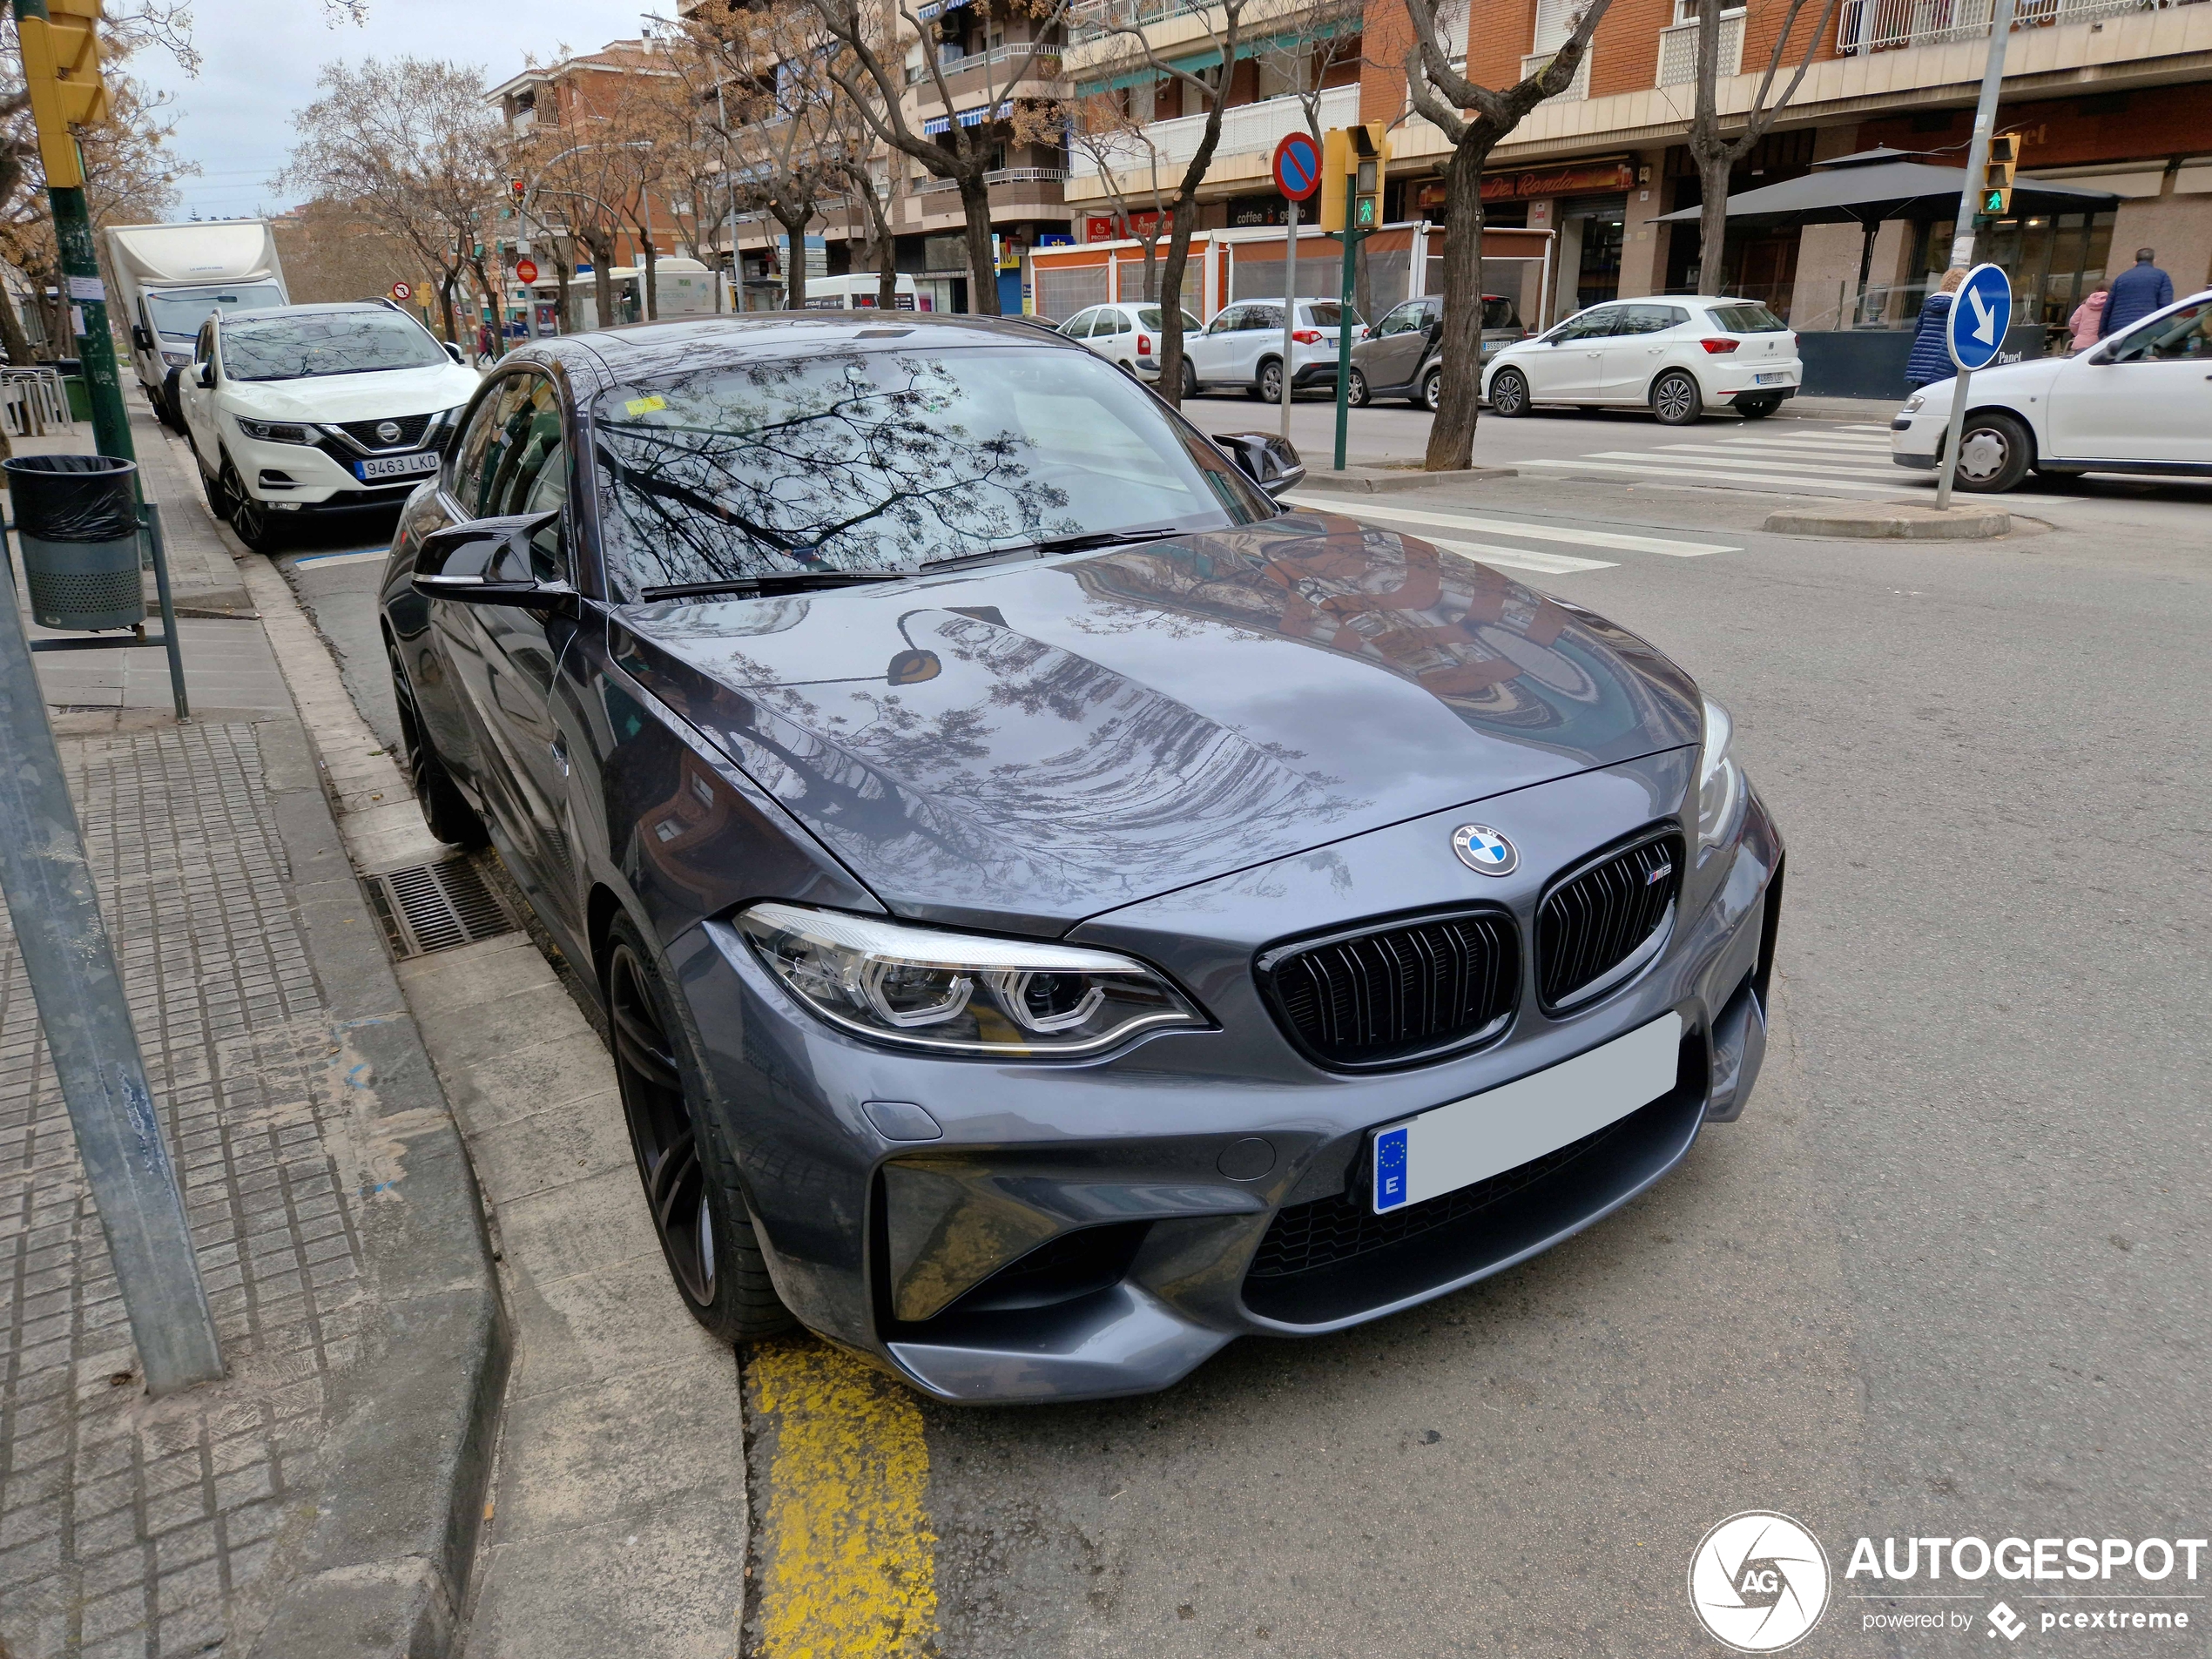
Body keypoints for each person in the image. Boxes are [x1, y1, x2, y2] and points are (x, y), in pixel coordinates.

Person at [1905, 266, 1967, 391]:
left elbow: (1918, 329)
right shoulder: (1961, 306)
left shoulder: (1929, 303)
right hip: (1946, 357)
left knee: (1923, 392)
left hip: (1922, 355)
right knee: (1942, 394)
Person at [2097, 248, 2174, 339]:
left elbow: (2108, 306)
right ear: (2154, 261)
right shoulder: (2162, 276)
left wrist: (2102, 332)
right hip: (2145, 327)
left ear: (2135, 262)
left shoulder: (2121, 278)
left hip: (2118, 329)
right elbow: (2165, 305)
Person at [2067, 287, 2107, 353]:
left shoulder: (2084, 306)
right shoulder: (2109, 307)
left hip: (2081, 343)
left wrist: (2080, 334)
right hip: (2100, 343)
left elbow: (2073, 323)